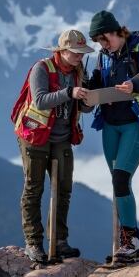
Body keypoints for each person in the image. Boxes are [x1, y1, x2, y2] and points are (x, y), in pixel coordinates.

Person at [85, 10, 139, 263]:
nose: (102, 45)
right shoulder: (104, 56)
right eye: (99, 42)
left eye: (104, 39)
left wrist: (134, 86)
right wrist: (87, 92)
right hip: (110, 125)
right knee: (118, 183)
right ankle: (125, 245)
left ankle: (132, 243)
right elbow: (97, 83)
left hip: (135, 124)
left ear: (116, 31)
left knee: (121, 179)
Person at [12, 29, 94, 263]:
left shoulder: (79, 72)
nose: (80, 56)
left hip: (62, 137)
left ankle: (59, 241)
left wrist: (90, 99)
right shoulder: (42, 68)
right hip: (35, 135)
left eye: (82, 52)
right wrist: (70, 92)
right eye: (76, 52)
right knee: (34, 187)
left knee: (63, 189)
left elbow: (84, 108)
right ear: (63, 50)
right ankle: (33, 243)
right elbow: (40, 100)